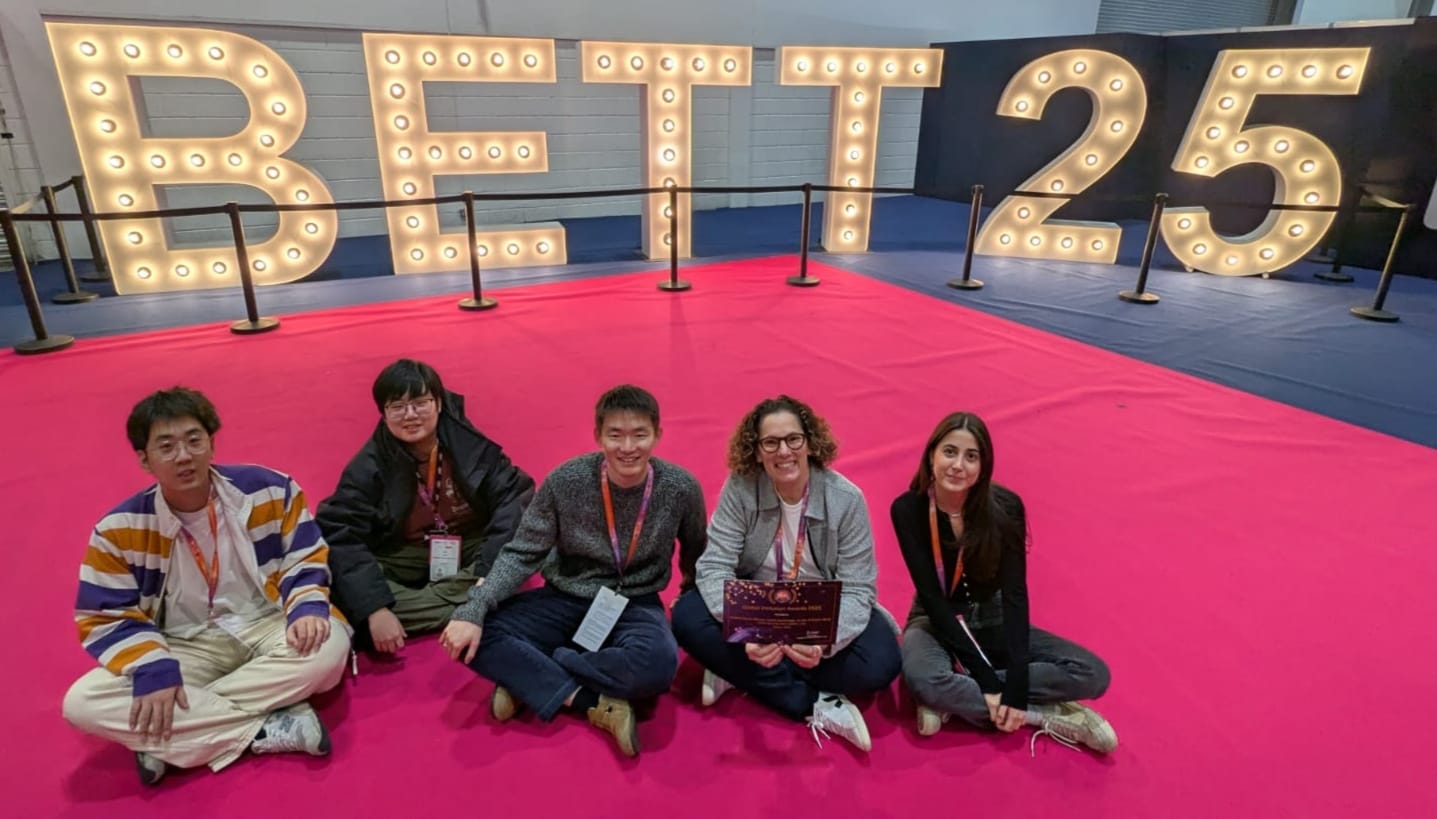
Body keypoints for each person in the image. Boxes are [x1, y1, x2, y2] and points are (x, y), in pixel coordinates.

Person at [62, 387, 350, 786]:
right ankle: (268, 725)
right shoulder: (118, 530)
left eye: (194, 440)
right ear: (145, 459)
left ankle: (167, 734)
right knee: (82, 703)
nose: (184, 456)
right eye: (166, 446)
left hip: (267, 620)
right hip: (182, 643)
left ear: (211, 444)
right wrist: (152, 667)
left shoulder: (271, 489)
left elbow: (305, 556)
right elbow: (103, 615)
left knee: (329, 652)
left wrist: (305, 606)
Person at [439, 385, 707, 758]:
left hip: (634, 603)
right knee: (473, 633)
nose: (627, 447)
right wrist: (475, 606)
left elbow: (696, 549)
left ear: (658, 435)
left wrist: (691, 590)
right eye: (615, 435)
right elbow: (522, 552)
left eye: (639, 435)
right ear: (598, 435)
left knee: (659, 666)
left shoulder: (680, 487)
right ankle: (591, 702)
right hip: (565, 595)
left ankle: (533, 672)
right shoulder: (566, 481)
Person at [671, 395, 901, 752]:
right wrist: (748, 629)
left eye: (794, 439)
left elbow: (858, 589)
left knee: (881, 663)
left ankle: (733, 669)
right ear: (757, 452)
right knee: (686, 615)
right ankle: (812, 702)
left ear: (810, 443)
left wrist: (824, 642)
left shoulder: (846, 499)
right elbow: (714, 565)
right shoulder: (742, 486)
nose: (784, 452)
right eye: (771, 443)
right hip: (756, 602)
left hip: (817, 609)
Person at [892, 411, 1116, 754]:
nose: (958, 465)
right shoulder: (907, 509)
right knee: (925, 680)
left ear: (984, 465)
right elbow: (934, 601)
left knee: (1093, 673)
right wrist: (990, 682)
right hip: (935, 618)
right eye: (949, 452)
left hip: (990, 615)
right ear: (931, 454)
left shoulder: (1005, 507)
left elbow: (1015, 596)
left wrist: (1013, 685)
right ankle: (1040, 714)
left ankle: (959, 700)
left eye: (971, 456)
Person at [317, 359, 534, 655]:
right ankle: (480, 603)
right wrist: (376, 608)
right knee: (346, 587)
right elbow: (339, 533)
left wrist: (487, 571)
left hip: (470, 543)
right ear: (383, 413)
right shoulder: (368, 466)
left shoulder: (467, 444)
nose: (410, 416)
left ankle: (468, 598)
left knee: (527, 549)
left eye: (421, 403)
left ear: (439, 404)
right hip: (405, 550)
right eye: (397, 407)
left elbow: (513, 499)